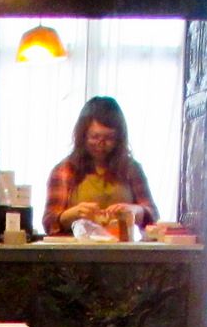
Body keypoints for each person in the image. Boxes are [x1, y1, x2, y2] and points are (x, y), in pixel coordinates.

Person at [42, 96, 157, 236]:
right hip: (76, 248)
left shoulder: (131, 169)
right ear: (82, 136)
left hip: (121, 248)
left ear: (119, 139)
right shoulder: (65, 170)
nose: (101, 144)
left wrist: (136, 211)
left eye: (109, 138)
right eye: (95, 137)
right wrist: (72, 214)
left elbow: (154, 217)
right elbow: (49, 223)